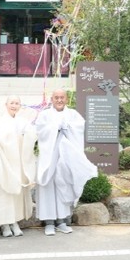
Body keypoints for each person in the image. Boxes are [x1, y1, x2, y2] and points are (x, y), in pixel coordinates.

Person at [35, 89, 97, 236]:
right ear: (52, 99)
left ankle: (62, 221)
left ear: (66, 99)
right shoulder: (44, 115)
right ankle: (49, 222)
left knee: (64, 185)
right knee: (49, 186)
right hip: (49, 156)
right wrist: (54, 128)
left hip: (66, 157)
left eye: (62, 97)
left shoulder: (73, 114)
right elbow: (40, 131)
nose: (59, 100)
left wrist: (68, 127)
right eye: (56, 97)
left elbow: (79, 128)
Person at [0, 95, 37, 237]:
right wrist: (12, 136)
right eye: (12, 103)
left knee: (17, 192)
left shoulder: (23, 121)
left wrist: (25, 135)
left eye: (17, 103)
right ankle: (4, 224)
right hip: (5, 161)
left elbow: (32, 135)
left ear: (20, 106)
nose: (14, 105)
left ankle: (15, 222)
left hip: (19, 162)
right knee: (4, 192)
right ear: (6, 104)